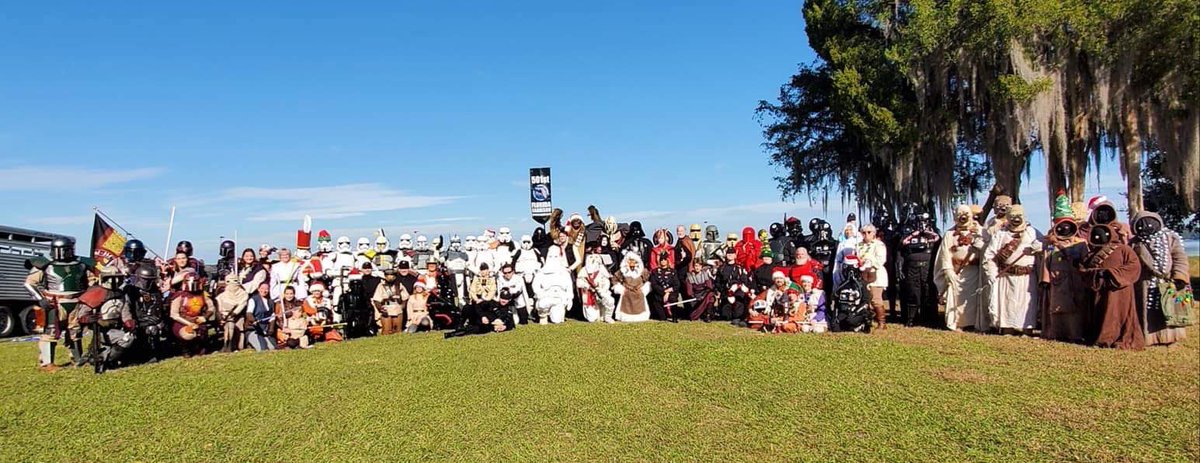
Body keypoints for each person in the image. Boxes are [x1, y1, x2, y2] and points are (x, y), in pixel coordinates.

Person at [24, 236, 91, 370]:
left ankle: (77, 359)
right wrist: (40, 298)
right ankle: (47, 363)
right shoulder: (45, 264)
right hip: (54, 303)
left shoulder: (81, 264)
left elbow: (91, 281)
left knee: (75, 331)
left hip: (76, 302)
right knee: (51, 332)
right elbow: (29, 283)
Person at [1130, 211, 1190, 346]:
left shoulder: (1170, 238)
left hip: (1168, 282)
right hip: (1145, 283)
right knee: (1148, 310)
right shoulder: (1134, 243)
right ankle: (1149, 337)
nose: (1147, 226)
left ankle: (1172, 337)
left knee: (1169, 309)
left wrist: (1180, 277)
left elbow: (1179, 257)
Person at [1082, 224, 1144, 350]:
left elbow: (1134, 266)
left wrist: (1112, 273)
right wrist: (1095, 273)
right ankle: (1101, 338)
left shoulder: (1124, 250)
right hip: (1100, 290)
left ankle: (1120, 338)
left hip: (1119, 291)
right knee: (1101, 312)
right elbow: (1083, 270)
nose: (1100, 237)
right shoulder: (1092, 254)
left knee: (1118, 313)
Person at [983, 204, 1043, 335]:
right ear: (1009, 217)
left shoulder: (1033, 232)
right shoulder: (1000, 234)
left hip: (1027, 277)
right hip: (1006, 276)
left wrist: (1039, 247)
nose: (1016, 219)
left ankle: (1027, 330)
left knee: (1027, 303)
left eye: (1019, 216)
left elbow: (1045, 246)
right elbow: (990, 255)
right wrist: (992, 273)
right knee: (1007, 304)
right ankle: (1007, 329)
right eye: (1013, 216)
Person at [1038, 195, 1089, 343]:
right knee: (1056, 306)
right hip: (1056, 281)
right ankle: (1057, 332)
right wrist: (1045, 280)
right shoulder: (1050, 245)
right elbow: (1045, 262)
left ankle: (1075, 334)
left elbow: (1080, 259)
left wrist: (1061, 245)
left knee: (1075, 308)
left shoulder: (1081, 243)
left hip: (1074, 281)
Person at [77, 265, 136, 373]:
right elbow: (82, 315)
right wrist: (88, 319)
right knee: (126, 339)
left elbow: (125, 312)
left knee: (128, 337)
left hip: (115, 328)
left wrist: (129, 323)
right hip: (100, 331)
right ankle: (105, 362)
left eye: (117, 278)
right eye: (111, 278)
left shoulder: (120, 294)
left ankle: (107, 359)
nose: (115, 281)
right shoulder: (95, 293)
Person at [935, 205, 986, 331]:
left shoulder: (980, 231)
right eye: (960, 215)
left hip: (974, 272)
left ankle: (974, 324)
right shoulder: (949, 234)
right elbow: (944, 253)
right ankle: (958, 323)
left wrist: (982, 246)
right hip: (956, 271)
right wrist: (947, 270)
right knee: (957, 298)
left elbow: (990, 248)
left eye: (965, 215)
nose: (963, 217)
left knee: (974, 299)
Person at [898, 209, 941, 327]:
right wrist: (914, 234)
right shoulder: (908, 234)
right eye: (919, 221)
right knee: (913, 292)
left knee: (929, 292)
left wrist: (930, 233)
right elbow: (901, 246)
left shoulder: (935, 233)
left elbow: (939, 244)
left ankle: (930, 318)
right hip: (912, 268)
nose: (922, 224)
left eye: (924, 221)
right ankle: (911, 318)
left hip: (928, 267)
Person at [169, 270, 214, 357]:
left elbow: (211, 307)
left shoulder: (203, 294)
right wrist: (189, 323)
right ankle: (185, 349)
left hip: (199, 320)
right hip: (183, 321)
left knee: (202, 336)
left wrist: (205, 317)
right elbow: (174, 314)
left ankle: (199, 346)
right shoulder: (179, 296)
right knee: (188, 334)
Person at [857, 224, 889, 330]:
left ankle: (882, 322)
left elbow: (881, 259)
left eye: (869, 232)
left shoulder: (879, 245)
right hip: (862, 274)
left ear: (874, 233)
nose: (866, 234)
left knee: (876, 299)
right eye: (864, 232)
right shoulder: (858, 245)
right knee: (865, 299)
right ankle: (867, 320)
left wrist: (869, 263)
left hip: (876, 274)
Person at [533, 246, 574, 324]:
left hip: (559, 297)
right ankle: (543, 315)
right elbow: (535, 285)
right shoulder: (542, 271)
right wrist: (539, 294)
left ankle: (558, 313)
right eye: (550, 256)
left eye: (555, 256)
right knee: (542, 304)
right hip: (546, 296)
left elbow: (569, 286)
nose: (553, 258)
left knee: (556, 320)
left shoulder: (564, 272)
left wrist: (569, 298)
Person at [715, 249, 753, 325]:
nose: (730, 255)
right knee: (726, 316)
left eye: (732, 253)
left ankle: (738, 317)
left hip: (738, 293)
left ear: (735, 255)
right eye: (728, 253)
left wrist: (736, 287)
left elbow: (744, 281)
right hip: (725, 292)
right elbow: (718, 281)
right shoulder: (721, 268)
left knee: (737, 313)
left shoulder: (740, 268)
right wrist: (721, 290)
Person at [577, 250, 615, 323]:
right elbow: (579, 282)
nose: (594, 260)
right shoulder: (583, 270)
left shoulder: (602, 269)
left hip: (601, 291)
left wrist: (602, 289)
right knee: (592, 319)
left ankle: (607, 317)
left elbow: (606, 281)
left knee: (610, 301)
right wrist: (588, 287)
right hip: (589, 293)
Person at [215, 273, 249, 352]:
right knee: (228, 327)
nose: (232, 285)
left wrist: (233, 314)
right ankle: (227, 344)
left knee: (240, 344)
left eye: (234, 281)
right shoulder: (221, 295)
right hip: (225, 317)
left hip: (238, 317)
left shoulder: (243, 294)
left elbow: (242, 305)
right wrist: (221, 318)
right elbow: (218, 308)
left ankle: (234, 345)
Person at [613, 252, 651, 322]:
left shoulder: (643, 271)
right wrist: (621, 289)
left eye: (633, 260)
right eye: (630, 260)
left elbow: (649, 279)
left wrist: (643, 288)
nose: (632, 262)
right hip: (626, 292)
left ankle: (641, 316)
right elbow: (614, 280)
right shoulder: (622, 271)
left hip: (639, 292)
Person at [372, 270, 408, 335]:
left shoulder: (399, 285)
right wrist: (380, 309)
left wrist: (403, 306)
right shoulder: (381, 286)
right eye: (388, 276)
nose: (390, 278)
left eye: (392, 276)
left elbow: (405, 297)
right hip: (386, 308)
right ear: (385, 277)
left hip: (397, 308)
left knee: (397, 329)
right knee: (387, 329)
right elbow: (376, 299)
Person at [245, 282, 276, 351]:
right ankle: (251, 343)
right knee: (263, 348)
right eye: (262, 288)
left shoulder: (271, 301)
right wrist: (254, 321)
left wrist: (271, 328)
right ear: (258, 289)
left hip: (265, 330)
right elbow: (249, 313)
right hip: (254, 329)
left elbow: (272, 316)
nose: (264, 291)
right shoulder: (253, 300)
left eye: (266, 289)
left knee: (272, 347)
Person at [649, 255, 681, 322]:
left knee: (673, 299)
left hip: (671, 293)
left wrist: (668, 292)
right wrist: (664, 292)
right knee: (662, 318)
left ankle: (674, 317)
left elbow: (677, 284)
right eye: (661, 260)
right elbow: (654, 284)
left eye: (664, 260)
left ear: (667, 261)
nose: (663, 261)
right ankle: (662, 316)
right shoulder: (655, 272)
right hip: (659, 293)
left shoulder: (673, 271)